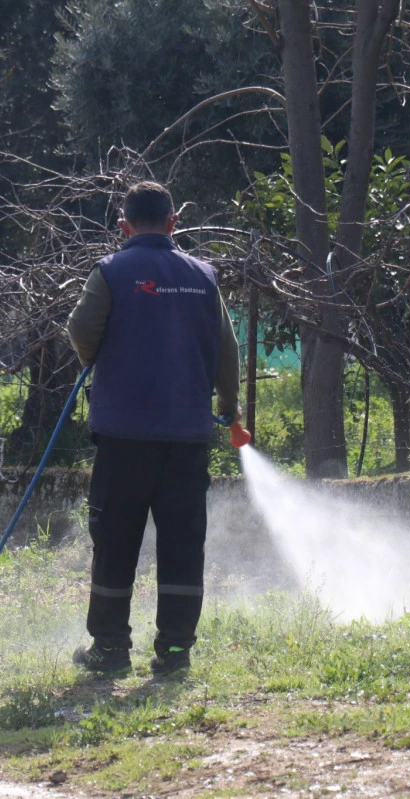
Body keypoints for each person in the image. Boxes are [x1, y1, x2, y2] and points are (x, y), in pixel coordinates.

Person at [66, 181, 240, 676]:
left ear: (123, 227)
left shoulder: (111, 271)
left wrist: (96, 357)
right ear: (173, 222)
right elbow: (227, 351)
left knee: (116, 539)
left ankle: (110, 649)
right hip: (185, 436)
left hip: (123, 436)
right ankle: (176, 650)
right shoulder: (203, 277)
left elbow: (81, 329)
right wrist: (228, 408)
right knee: (183, 541)